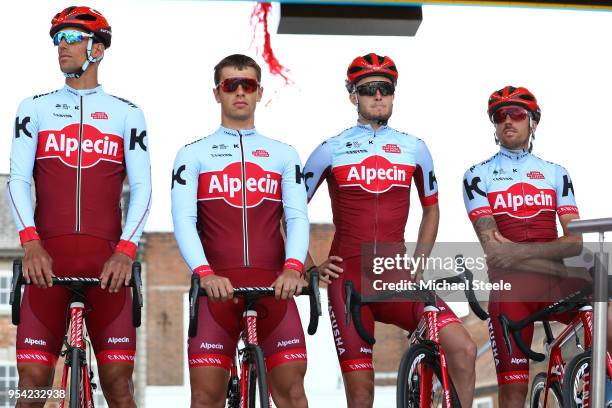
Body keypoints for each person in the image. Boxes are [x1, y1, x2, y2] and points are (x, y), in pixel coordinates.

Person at [303, 53, 476, 408]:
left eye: (386, 89)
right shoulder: (329, 149)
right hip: (348, 278)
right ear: (353, 96)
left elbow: (432, 210)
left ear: (394, 95)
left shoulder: (415, 148)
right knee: (362, 394)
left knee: (464, 347)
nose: (378, 96)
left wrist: (419, 264)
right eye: (369, 90)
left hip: (396, 275)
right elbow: (289, 212)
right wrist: (307, 266)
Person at [7, 6, 152, 407]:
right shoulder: (33, 108)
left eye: (72, 38)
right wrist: (31, 242)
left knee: (119, 385)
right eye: (58, 39)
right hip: (46, 266)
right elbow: (18, 179)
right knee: (33, 385)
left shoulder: (127, 114)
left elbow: (143, 187)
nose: (62, 47)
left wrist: (126, 250)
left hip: (108, 267)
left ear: (98, 49)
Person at [171, 54, 310, 408]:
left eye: (247, 84)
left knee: (293, 395)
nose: (239, 92)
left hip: (273, 290)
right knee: (204, 398)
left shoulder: (283, 154)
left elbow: (296, 217)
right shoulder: (193, 154)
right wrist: (204, 273)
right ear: (217, 93)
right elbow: (183, 219)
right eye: (230, 84)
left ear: (259, 92)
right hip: (215, 291)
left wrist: (294, 267)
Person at [461, 85, 606, 407]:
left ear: (533, 122)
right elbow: (496, 252)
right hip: (511, 293)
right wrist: (552, 253)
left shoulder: (556, 174)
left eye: (516, 114)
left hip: (558, 283)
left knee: (607, 319)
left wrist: (521, 252)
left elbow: (575, 242)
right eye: (499, 116)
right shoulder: (477, 175)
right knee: (513, 391)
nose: (507, 121)